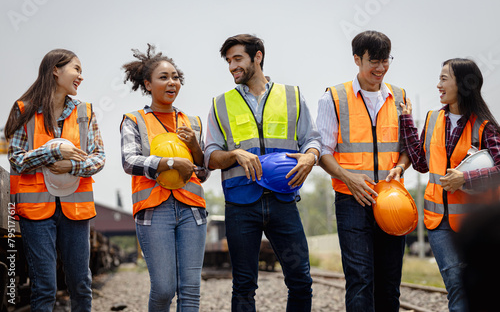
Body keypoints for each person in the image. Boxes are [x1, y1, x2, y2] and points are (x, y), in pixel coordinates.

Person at [205, 34, 320, 312]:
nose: (232, 66)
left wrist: (310, 157)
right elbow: (210, 156)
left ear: (257, 57)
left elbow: (312, 139)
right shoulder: (220, 104)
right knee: (244, 284)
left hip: (283, 201)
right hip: (241, 205)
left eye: (238, 59)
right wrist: (233, 154)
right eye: (229, 61)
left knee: (301, 280)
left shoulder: (291, 95)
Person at [5, 49, 105, 312]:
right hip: (36, 211)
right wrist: (54, 151)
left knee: (80, 283)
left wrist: (71, 165)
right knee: (44, 287)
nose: (81, 76)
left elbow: (99, 158)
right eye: (76, 69)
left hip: (76, 208)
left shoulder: (85, 112)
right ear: (55, 70)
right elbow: (16, 159)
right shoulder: (24, 110)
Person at [317, 30, 410, 312]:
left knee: (390, 280)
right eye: (374, 62)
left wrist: (401, 166)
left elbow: (409, 146)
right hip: (351, 200)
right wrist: (348, 178)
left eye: (385, 61)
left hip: (392, 200)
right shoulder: (333, 98)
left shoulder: (400, 96)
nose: (380, 68)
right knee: (360, 279)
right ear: (357, 59)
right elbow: (321, 152)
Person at [400, 58, 500, 311]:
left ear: (463, 84)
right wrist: (407, 122)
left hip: (474, 224)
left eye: (444, 79)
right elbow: (422, 164)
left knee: (477, 287)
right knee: (456, 283)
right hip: (438, 222)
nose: (438, 85)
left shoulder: (485, 127)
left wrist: (465, 178)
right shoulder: (433, 119)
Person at [120, 44, 208, 311]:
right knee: (163, 288)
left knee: (190, 290)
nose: (172, 82)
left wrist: (195, 148)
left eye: (175, 77)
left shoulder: (192, 122)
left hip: (192, 210)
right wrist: (170, 163)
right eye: (163, 77)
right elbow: (128, 161)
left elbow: (202, 173)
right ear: (147, 84)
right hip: (153, 211)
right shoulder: (134, 120)